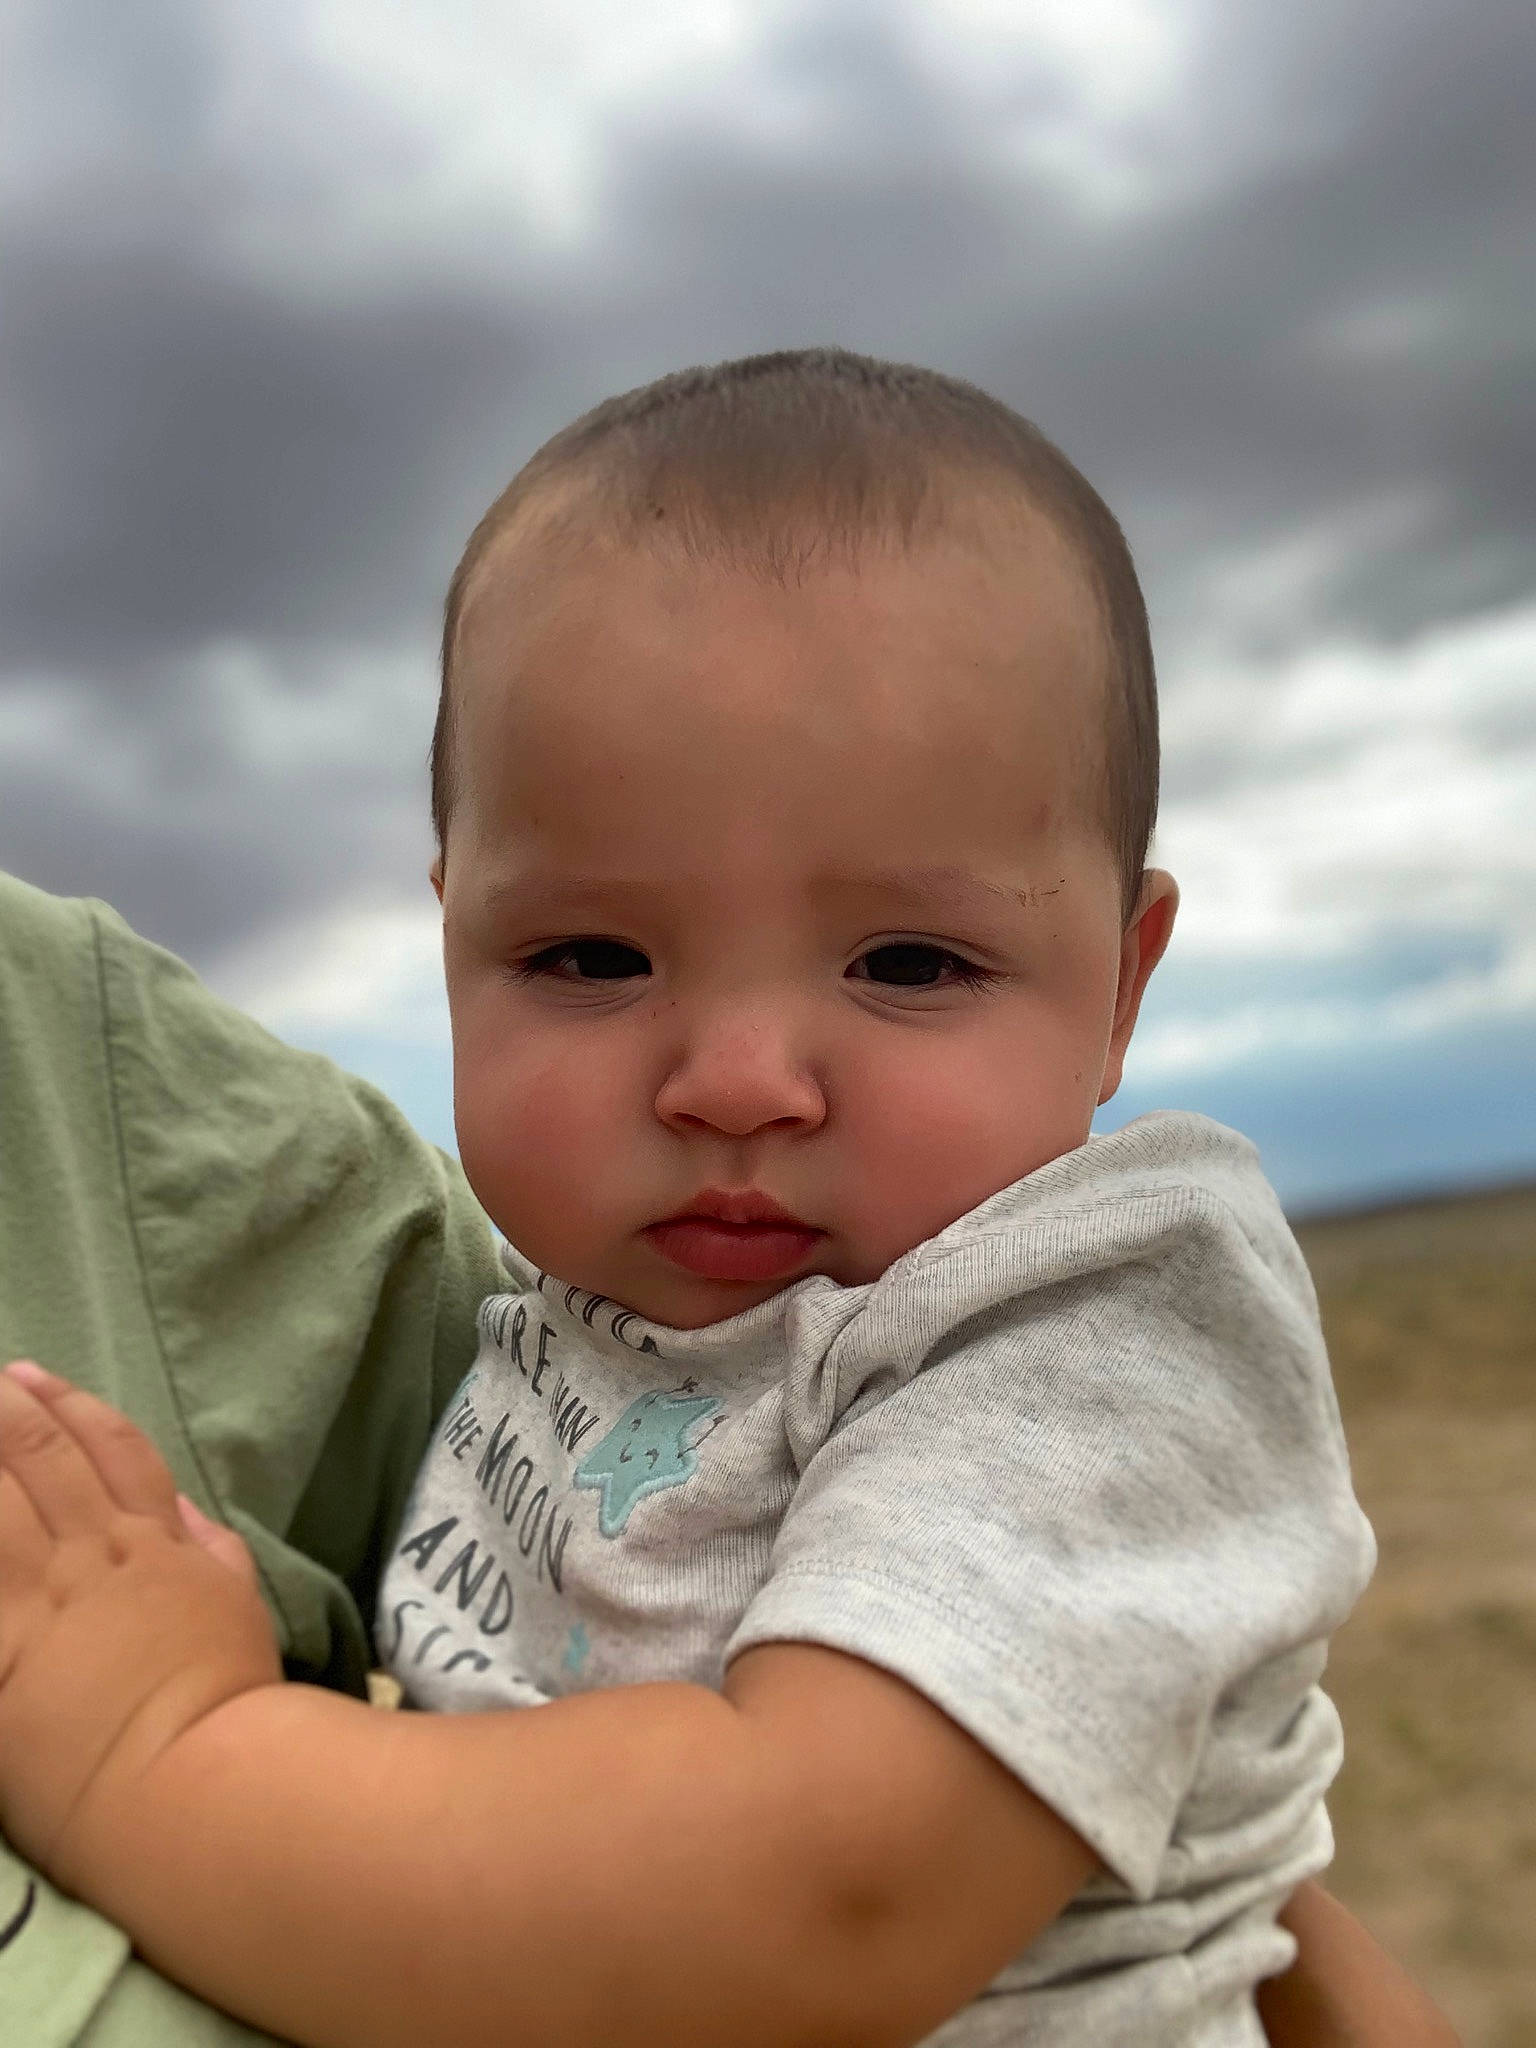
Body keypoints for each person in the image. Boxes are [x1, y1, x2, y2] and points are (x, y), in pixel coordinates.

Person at [0, 350, 1460, 2047]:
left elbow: (821, 1895)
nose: (739, 1077)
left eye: (910, 961)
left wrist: (154, 1746)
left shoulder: (1095, 1330)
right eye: (589, 956)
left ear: (1123, 987)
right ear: (454, 935)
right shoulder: (574, 1324)